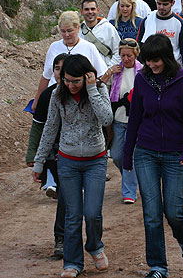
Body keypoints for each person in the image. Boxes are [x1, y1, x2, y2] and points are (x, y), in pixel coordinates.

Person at [123, 34, 183, 278]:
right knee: (152, 213)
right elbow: (134, 119)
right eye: (148, 61)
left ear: (166, 57)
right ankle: (158, 266)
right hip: (145, 152)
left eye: (156, 61)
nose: (152, 66)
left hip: (176, 154)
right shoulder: (142, 80)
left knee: (174, 211)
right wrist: (127, 154)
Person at [32, 54, 114, 278]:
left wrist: (92, 89)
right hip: (67, 162)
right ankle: (72, 262)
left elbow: (107, 119)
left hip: (95, 161)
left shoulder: (98, 90)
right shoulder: (58, 95)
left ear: (87, 76)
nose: (71, 85)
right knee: (73, 215)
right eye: (67, 80)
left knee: (93, 213)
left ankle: (95, 247)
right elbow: (49, 128)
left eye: (76, 81)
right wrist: (39, 162)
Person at [26, 53, 69, 258]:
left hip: (80, 153)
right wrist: (33, 155)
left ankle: (77, 237)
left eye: (64, 67)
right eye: (57, 68)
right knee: (64, 195)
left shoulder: (83, 93)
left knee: (70, 197)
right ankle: (61, 239)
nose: (61, 73)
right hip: (54, 154)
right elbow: (38, 126)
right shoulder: (47, 96)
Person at [33, 11, 108, 111]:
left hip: (80, 99)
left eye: (70, 30)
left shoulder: (89, 48)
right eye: (63, 31)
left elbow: (101, 75)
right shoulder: (54, 47)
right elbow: (46, 76)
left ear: (78, 28)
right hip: (55, 96)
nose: (67, 35)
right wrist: (37, 100)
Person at [99, 39, 142, 204]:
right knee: (116, 155)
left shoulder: (143, 72)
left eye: (129, 55)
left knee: (129, 156)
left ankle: (129, 192)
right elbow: (98, 87)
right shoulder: (116, 72)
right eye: (122, 55)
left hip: (136, 123)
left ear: (135, 54)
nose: (125, 59)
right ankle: (130, 176)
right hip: (117, 121)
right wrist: (109, 73)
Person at [136, 0, 183, 67]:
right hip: (151, 68)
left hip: (173, 68)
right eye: (159, 3)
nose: (161, 7)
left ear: (173, 3)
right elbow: (139, 47)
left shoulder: (180, 23)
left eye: (165, 4)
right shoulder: (147, 20)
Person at [80, 0, 121, 67]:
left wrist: (108, 69)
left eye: (92, 9)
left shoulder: (108, 28)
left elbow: (118, 50)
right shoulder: (79, 31)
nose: (90, 12)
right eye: (86, 9)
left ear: (98, 10)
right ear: (81, 11)